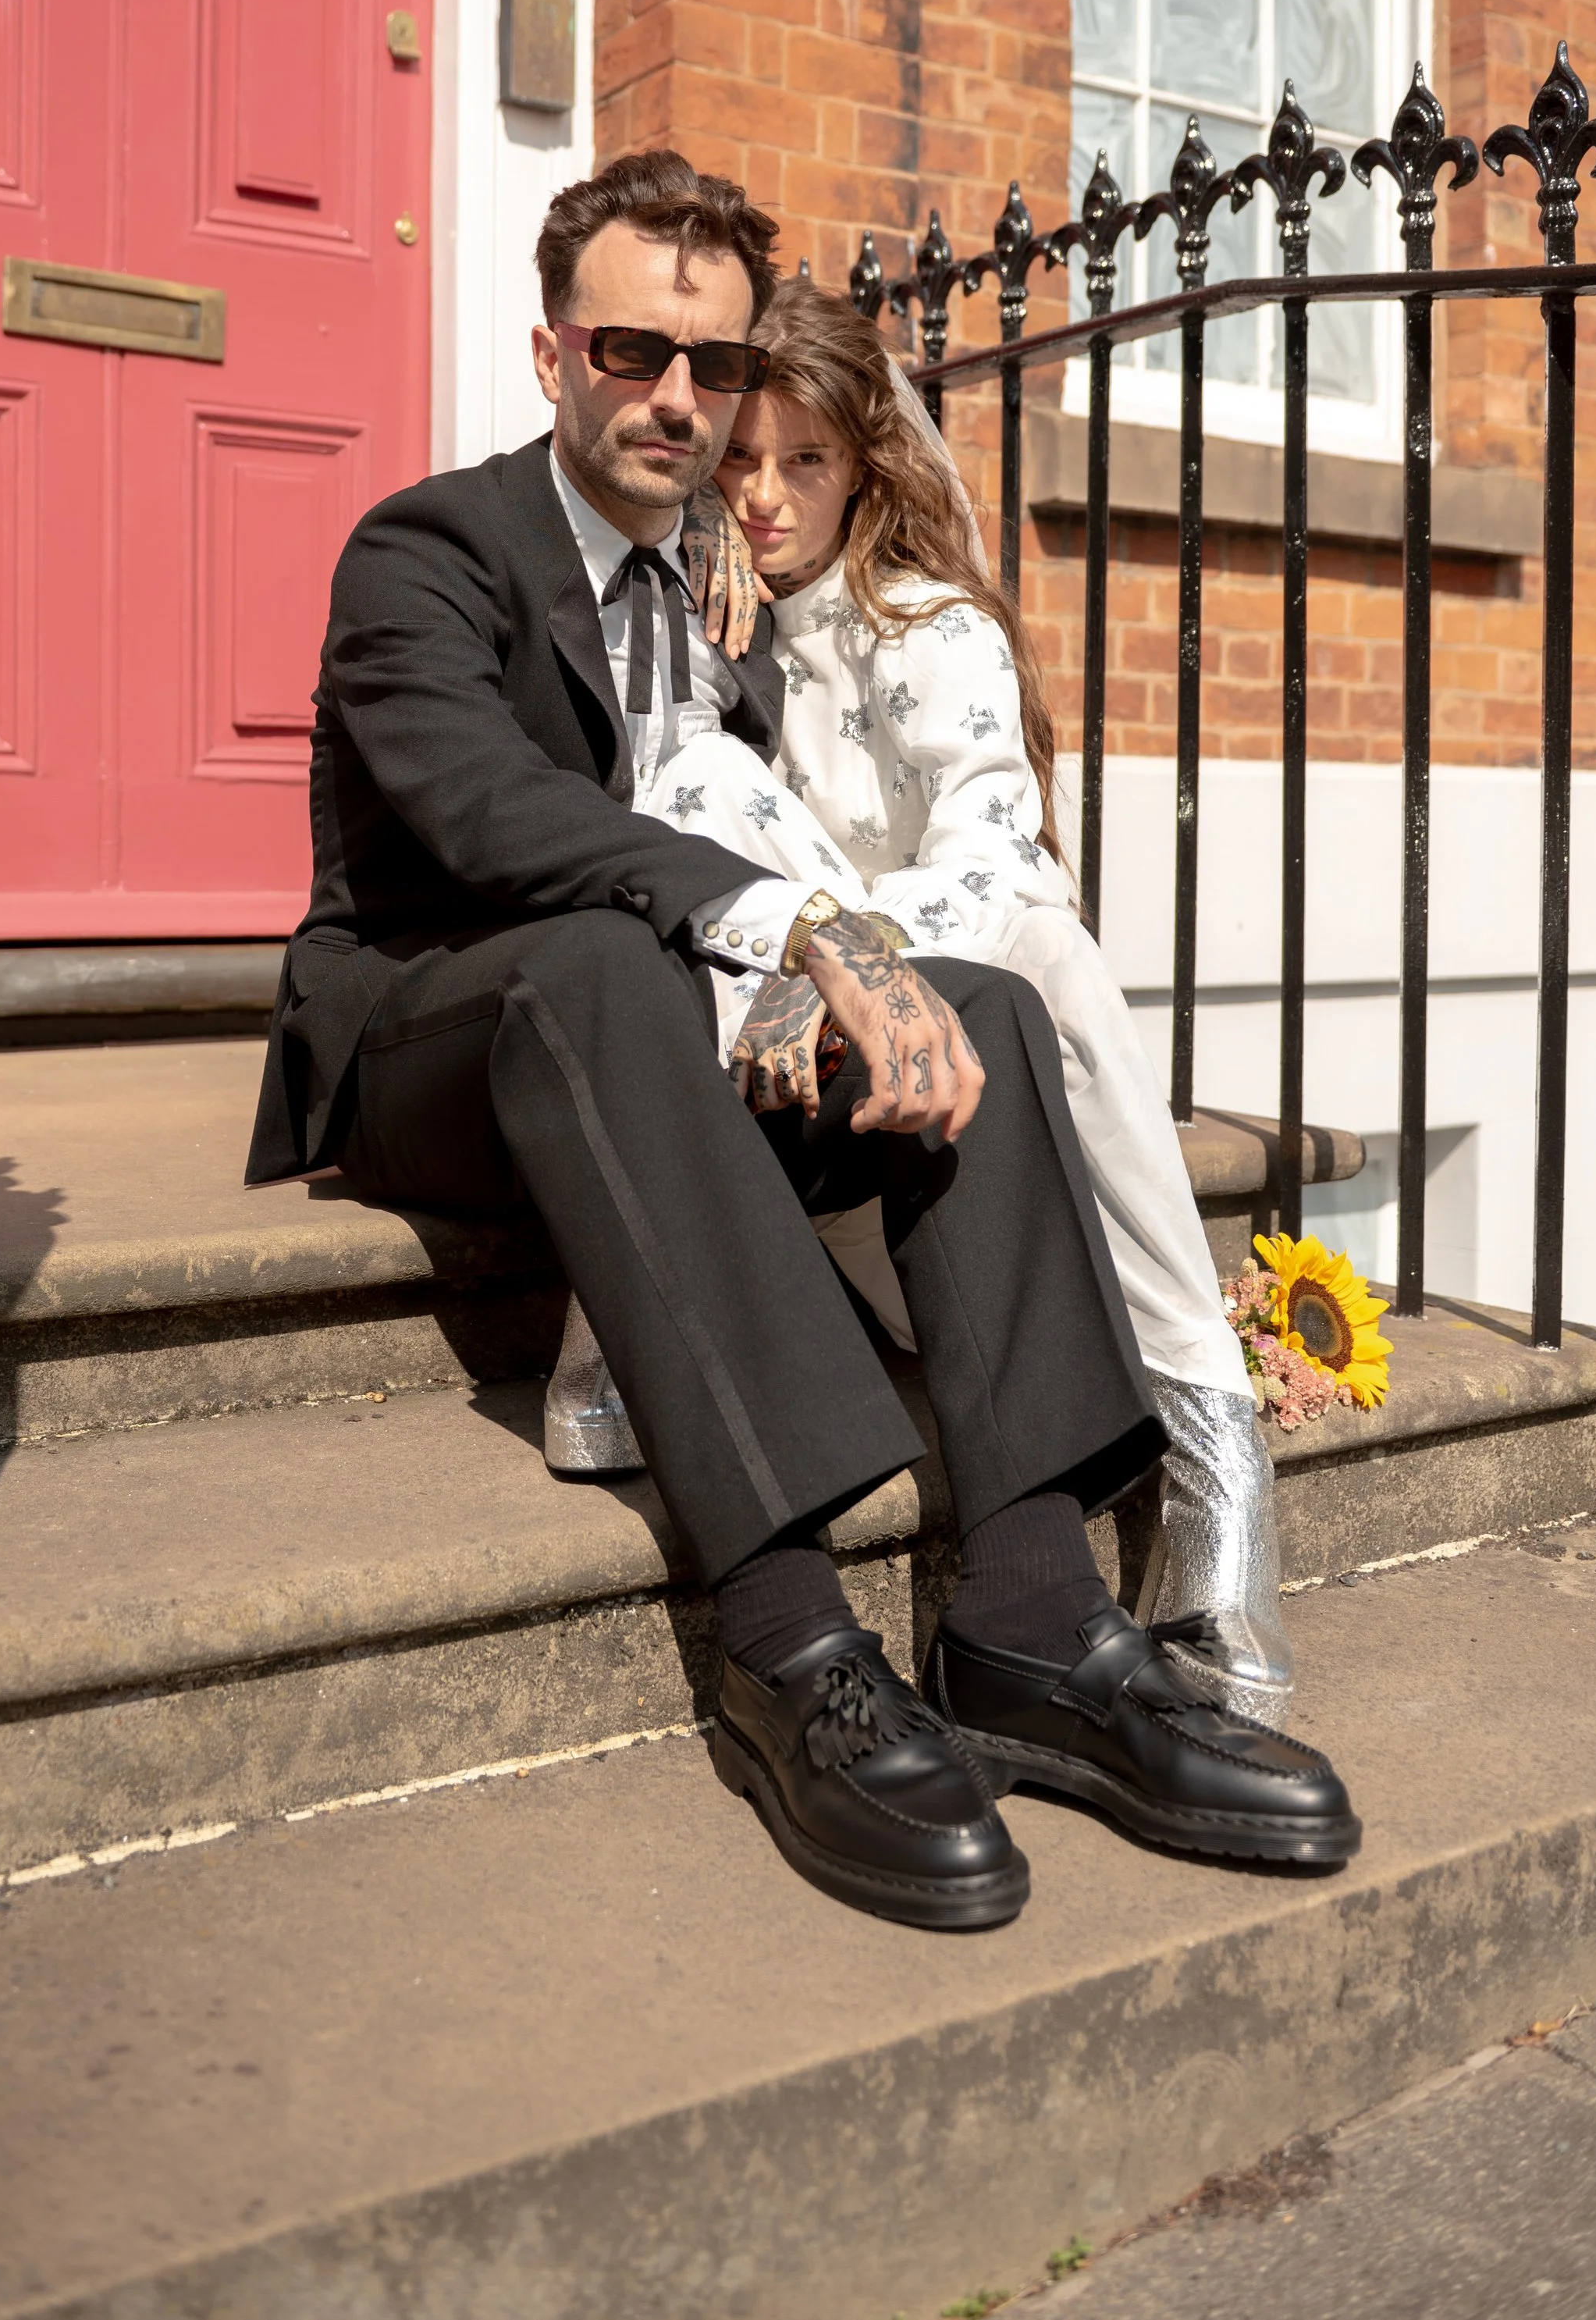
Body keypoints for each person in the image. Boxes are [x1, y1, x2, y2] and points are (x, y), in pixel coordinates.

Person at [248, 150, 1359, 1929]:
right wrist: (798, 934)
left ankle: (1030, 1623)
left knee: (975, 999)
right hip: (436, 1046)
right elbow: (491, 821)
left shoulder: (724, 591)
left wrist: (839, 963)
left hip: (666, 1056)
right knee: (594, 966)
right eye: (630, 351)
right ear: (552, 359)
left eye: (706, 360)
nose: (676, 399)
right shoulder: (428, 549)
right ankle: (787, 1650)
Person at [547, 275, 1294, 1723]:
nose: (762, 497)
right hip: (791, 1065)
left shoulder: (932, 626)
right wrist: (795, 950)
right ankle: (619, 1336)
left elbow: (1006, 872)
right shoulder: (706, 615)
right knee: (690, 777)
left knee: (1054, 955)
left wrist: (836, 959)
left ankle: (1212, 1443)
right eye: (737, 462)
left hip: (931, 1047)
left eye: (804, 461)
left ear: (864, 461)